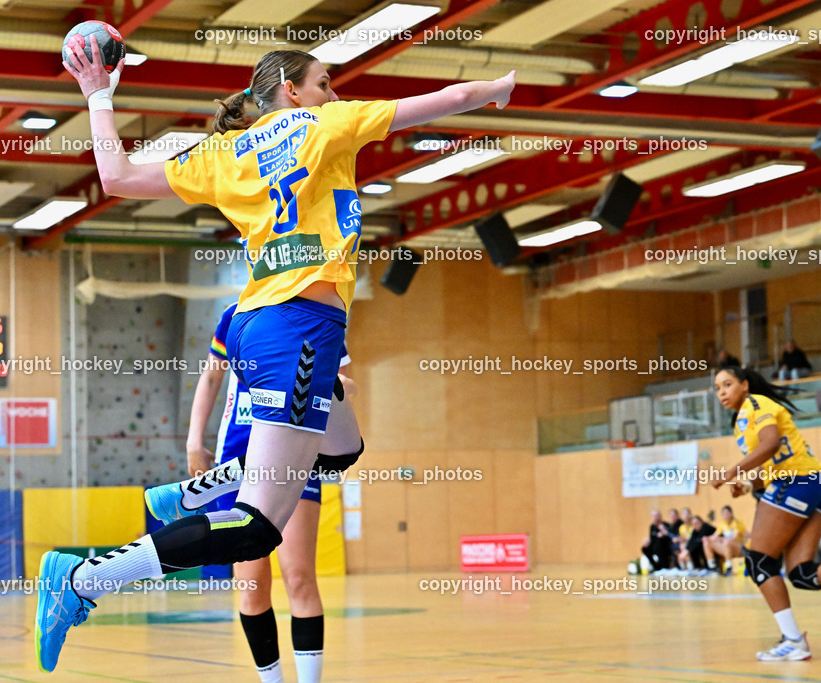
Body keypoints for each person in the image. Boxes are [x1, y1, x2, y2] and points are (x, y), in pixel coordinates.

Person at [35, 44, 516, 673]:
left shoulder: (219, 154)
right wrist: (503, 86)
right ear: (292, 90)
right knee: (258, 528)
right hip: (299, 327)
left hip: (263, 321)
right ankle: (83, 579)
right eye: (325, 83)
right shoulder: (322, 124)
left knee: (342, 449)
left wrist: (99, 92)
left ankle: (194, 491)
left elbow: (117, 178)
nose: (335, 95)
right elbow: (451, 100)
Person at [143, 303, 360, 683]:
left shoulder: (319, 310)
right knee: (252, 583)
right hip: (236, 454)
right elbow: (211, 378)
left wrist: (324, 386)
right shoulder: (236, 313)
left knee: (299, 576)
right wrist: (194, 441)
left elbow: (348, 384)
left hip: (296, 450)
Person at [711, 366, 821, 662]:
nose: (721, 392)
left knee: (758, 561)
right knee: (802, 573)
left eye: (727, 384)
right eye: (717, 388)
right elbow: (771, 464)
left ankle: (794, 640)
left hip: (797, 482)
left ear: (744, 384)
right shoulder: (741, 420)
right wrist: (746, 485)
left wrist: (732, 471)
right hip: (810, 484)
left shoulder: (758, 404)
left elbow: (770, 445)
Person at [702, 505, 745, 575]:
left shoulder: (737, 522)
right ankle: (712, 567)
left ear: (731, 513)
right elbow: (714, 536)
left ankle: (729, 567)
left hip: (739, 548)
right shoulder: (722, 524)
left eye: (727, 513)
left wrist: (721, 539)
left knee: (726, 541)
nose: (725, 515)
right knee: (707, 542)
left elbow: (735, 537)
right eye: (724, 514)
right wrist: (707, 538)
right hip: (727, 547)